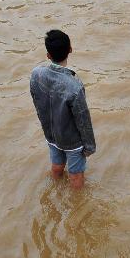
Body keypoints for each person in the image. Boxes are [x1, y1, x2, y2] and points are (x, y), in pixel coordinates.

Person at [30, 29, 96, 190]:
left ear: (48, 55)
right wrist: (89, 147)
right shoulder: (74, 86)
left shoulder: (36, 74)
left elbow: (36, 101)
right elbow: (83, 119)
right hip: (71, 140)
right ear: (70, 50)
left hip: (51, 134)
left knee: (57, 165)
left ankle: (56, 188)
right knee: (76, 174)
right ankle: (77, 208)